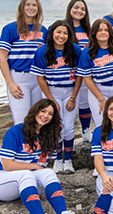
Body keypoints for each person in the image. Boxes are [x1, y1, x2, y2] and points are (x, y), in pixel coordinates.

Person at [0, 99, 79, 214]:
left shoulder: (49, 136)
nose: (45, 115)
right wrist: (32, 166)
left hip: (27, 183)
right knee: (27, 174)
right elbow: (6, 164)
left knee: (49, 172)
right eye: (43, 111)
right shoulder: (16, 131)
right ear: (35, 111)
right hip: (4, 182)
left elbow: (42, 167)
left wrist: (35, 168)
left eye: (50, 113)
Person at [31, 20, 82, 174]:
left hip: (70, 91)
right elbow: (40, 78)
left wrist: (73, 97)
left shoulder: (75, 50)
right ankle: (57, 159)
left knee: (68, 127)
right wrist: (50, 100)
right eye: (58, 32)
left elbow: (80, 76)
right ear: (52, 33)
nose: (61, 36)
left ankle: (68, 160)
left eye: (65, 33)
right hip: (51, 91)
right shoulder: (42, 51)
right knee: (55, 126)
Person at [0, 0, 48, 124]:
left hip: (38, 79)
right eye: (28, 4)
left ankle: (37, 145)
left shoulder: (43, 30)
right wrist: (10, 83)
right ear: (22, 7)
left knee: (39, 119)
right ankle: (22, 145)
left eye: (34, 5)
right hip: (19, 79)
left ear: (38, 8)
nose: (31, 8)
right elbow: (2, 57)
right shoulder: (10, 29)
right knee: (21, 121)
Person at [77, 19, 113, 127]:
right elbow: (87, 79)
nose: (103, 33)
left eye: (106, 30)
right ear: (94, 33)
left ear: (110, 32)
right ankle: (103, 143)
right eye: (99, 30)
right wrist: (100, 98)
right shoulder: (87, 52)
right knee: (101, 122)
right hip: (99, 90)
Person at [65, 0, 93, 142]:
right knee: (68, 104)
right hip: (68, 73)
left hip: (86, 73)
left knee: (85, 103)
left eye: (83, 9)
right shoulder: (63, 28)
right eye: (76, 7)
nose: (79, 11)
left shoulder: (89, 30)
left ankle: (86, 130)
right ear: (70, 9)